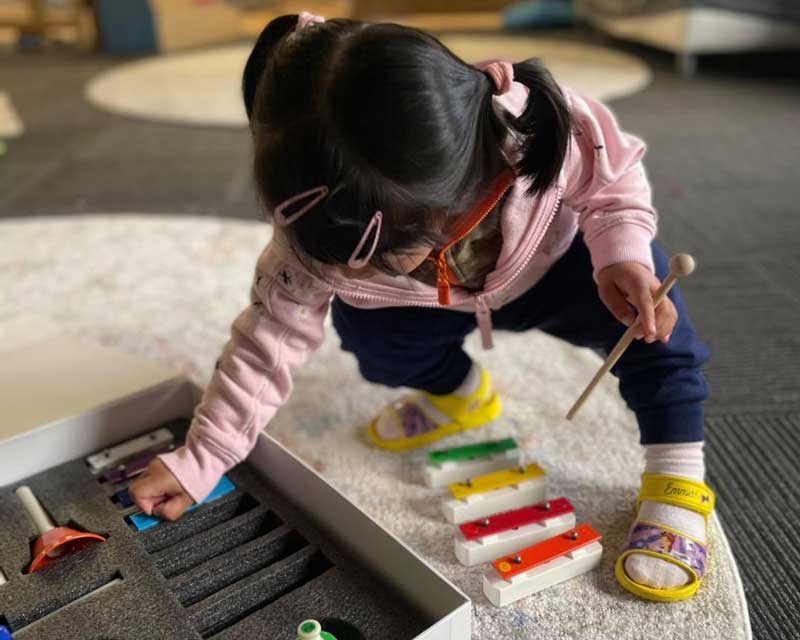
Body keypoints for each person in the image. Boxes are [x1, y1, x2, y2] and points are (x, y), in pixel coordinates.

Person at [131, 12, 714, 602]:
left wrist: (621, 254)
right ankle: (462, 396)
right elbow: (265, 345)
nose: (349, 271)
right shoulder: (314, 234)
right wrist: (201, 458)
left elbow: (613, 183)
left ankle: (677, 470)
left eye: (377, 254)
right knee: (372, 341)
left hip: (563, 266)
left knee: (656, 333)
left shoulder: (540, 124)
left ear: (449, 193)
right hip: (427, 306)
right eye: (344, 261)